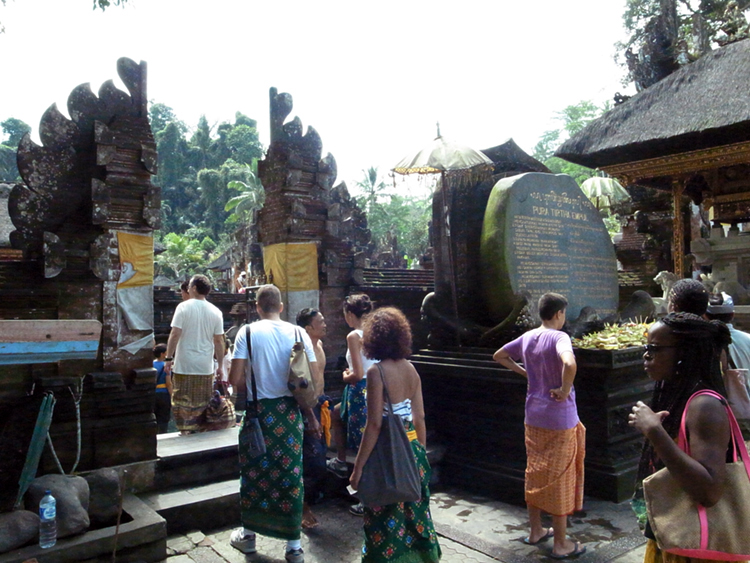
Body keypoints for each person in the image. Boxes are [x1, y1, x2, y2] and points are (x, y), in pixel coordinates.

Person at [629, 312, 737, 563]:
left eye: (654, 349)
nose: (646, 355)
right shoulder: (676, 392)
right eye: (646, 348)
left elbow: (709, 490)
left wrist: (655, 431)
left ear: (684, 354)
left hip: (696, 547)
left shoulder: (705, 405)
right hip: (673, 536)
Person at [228, 284, 321, 563]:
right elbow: (312, 378)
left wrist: (259, 376)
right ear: (281, 307)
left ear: (257, 307)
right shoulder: (298, 332)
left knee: (254, 474)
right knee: (291, 476)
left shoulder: (246, 332)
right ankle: (293, 547)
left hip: (259, 415)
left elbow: (236, 380)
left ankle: (249, 537)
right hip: (291, 414)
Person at [493, 293, 586, 559]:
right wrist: (565, 388)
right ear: (558, 313)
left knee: (535, 471)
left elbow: (499, 355)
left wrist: (527, 373)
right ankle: (560, 544)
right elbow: (569, 362)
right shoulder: (560, 337)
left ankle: (535, 531)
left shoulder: (528, 337)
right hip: (559, 418)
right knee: (560, 478)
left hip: (533, 415)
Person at [349, 307, 442, 563]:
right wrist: (420, 453)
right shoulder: (411, 369)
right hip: (412, 446)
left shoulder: (375, 373)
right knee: (414, 513)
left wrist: (358, 468)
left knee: (384, 514)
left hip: (386, 452)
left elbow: (374, 424)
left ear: (373, 340)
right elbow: (419, 417)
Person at [326, 294, 376, 516]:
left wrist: (345, 375)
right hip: (376, 388)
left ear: (349, 314)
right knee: (336, 414)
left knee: (363, 444)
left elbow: (357, 374)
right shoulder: (376, 332)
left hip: (360, 390)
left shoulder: (354, 336)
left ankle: (367, 499)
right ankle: (340, 459)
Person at [166, 275, 225, 435]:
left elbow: (175, 334)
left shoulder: (183, 307)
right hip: (205, 365)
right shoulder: (216, 311)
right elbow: (219, 341)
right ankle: (199, 430)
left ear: (193, 288)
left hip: (184, 363)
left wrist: (168, 358)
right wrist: (220, 366)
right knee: (203, 401)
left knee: (181, 400)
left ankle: (184, 430)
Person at [296, 307, 329, 529]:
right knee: (313, 458)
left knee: (321, 454)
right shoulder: (301, 350)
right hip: (306, 408)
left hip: (320, 404)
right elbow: (301, 384)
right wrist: (309, 414)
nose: (325, 324)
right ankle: (303, 506)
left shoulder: (319, 345)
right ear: (308, 328)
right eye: (321, 322)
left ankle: (311, 499)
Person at [153, 343, 173, 434]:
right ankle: (162, 434)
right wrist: (172, 396)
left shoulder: (151, 364)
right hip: (163, 394)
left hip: (153, 394)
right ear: (162, 354)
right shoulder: (166, 366)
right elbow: (168, 383)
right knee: (163, 418)